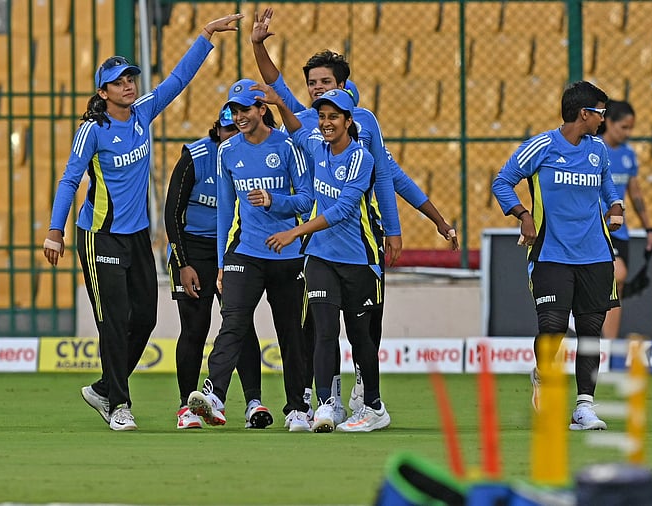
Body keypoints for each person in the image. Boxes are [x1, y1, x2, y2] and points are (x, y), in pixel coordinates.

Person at [250, 7, 458, 418]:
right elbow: (276, 89)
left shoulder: (362, 127)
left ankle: (368, 392)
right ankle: (329, 398)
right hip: (319, 243)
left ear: (344, 88)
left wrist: (401, 229)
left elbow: (388, 176)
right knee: (321, 325)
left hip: (360, 240)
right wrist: (257, 44)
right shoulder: (313, 125)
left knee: (365, 328)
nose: (315, 90)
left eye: (325, 83)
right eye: (311, 84)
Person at [42, 14, 244, 431]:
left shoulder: (141, 113)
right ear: (103, 91)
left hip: (136, 237)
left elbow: (176, 80)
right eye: (119, 82)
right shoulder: (92, 130)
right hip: (99, 237)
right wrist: (55, 231)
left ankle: (102, 388)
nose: (129, 85)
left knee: (145, 319)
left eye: (131, 78)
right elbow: (69, 179)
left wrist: (206, 36)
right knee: (113, 321)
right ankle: (119, 404)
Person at [491, 81, 625, 431]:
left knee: (591, 331)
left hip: (595, 253)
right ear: (584, 113)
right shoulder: (541, 146)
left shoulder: (598, 150)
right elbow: (502, 181)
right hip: (551, 252)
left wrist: (615, 203)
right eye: (600, 113)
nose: (604, 121)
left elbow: (607, 182)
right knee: (552, 329)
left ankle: (584, 406)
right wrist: (522, 215)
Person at [186, 79, 314, 432]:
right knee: (233, 323)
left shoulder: (288, 147)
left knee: (291, 331)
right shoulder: (228, 151)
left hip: (287, 254)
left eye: (245, 109)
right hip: (245, 252)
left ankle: (298, 409)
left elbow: (306, 199)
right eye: (234, 110)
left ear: (262, 110)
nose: (239, 116)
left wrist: (276, 201)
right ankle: (215, 395)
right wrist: (222, 262)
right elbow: (225, 212)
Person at [264, 87, 392, 433]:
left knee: (360, 336)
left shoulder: (361, 158)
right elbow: (295, 130)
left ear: (349, 121)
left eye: (333, 117)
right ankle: (326, 405)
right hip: (319, 256)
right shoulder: (317, 148)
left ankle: (374, 407)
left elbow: (341, 210)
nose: (326, 123)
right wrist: (279, 103)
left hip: (358, 259)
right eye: (321, 116)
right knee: (324, 331)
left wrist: (294, 232)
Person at [164, 104, 270, 430]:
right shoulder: (195, 158)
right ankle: (187, 407)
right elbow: (172, 215)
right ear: (217, 129)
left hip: (234, 249)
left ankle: (254, 403)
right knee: (194, 329)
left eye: (237, 131)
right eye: (226, 131)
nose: (231, 137)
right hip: (193, 252)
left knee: (239, 324)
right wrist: (183, 264)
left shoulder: (251, 157)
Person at [597, 100, 652, 339]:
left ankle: (607, 347)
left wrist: (649, 229)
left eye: (630, 128)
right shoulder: (594, 150)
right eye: (623, 127)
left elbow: (635, 193)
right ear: (609, 123)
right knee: (618, 273)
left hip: (620, 230)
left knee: (616, 288)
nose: (627, 133)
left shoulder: (627, 155)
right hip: (597, 227)